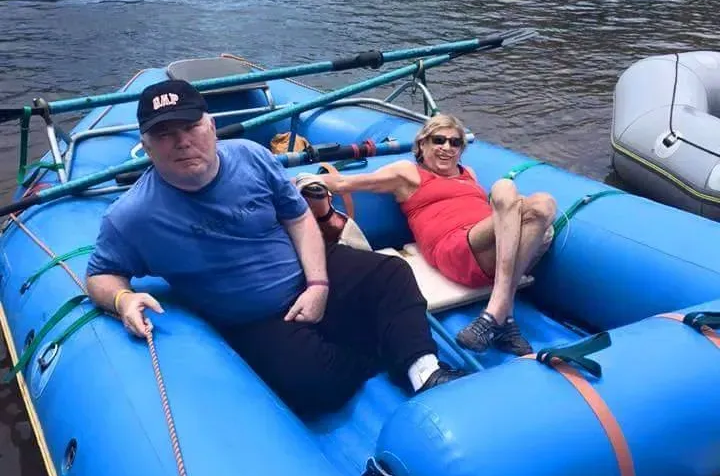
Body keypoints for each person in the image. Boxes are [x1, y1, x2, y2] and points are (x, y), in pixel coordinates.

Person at [85, 80, 464, 418]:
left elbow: (299, 218)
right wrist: (122, 300)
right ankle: (376, 352)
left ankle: (425, 372)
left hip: (306, 273)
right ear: (147, 146)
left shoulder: (251, 157)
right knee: (312, 385)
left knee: (391, 272)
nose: (182, 141)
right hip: (254, 317)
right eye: (165, 133)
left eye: (190, 126)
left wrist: (317, 284)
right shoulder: (133, 215)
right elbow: (100, 273)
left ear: (211, 127)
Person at [314, 113, 557, 356]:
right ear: (422, 144)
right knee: (505, 188)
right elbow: (346, 183)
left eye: (455, 142)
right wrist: (297, 181)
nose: (446, 148)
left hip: (494, 250)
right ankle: (503, 312)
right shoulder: (408, 173)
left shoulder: (468, 173)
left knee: (544, 204)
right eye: (438, 140)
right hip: (453, 248)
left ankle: (497, 314)